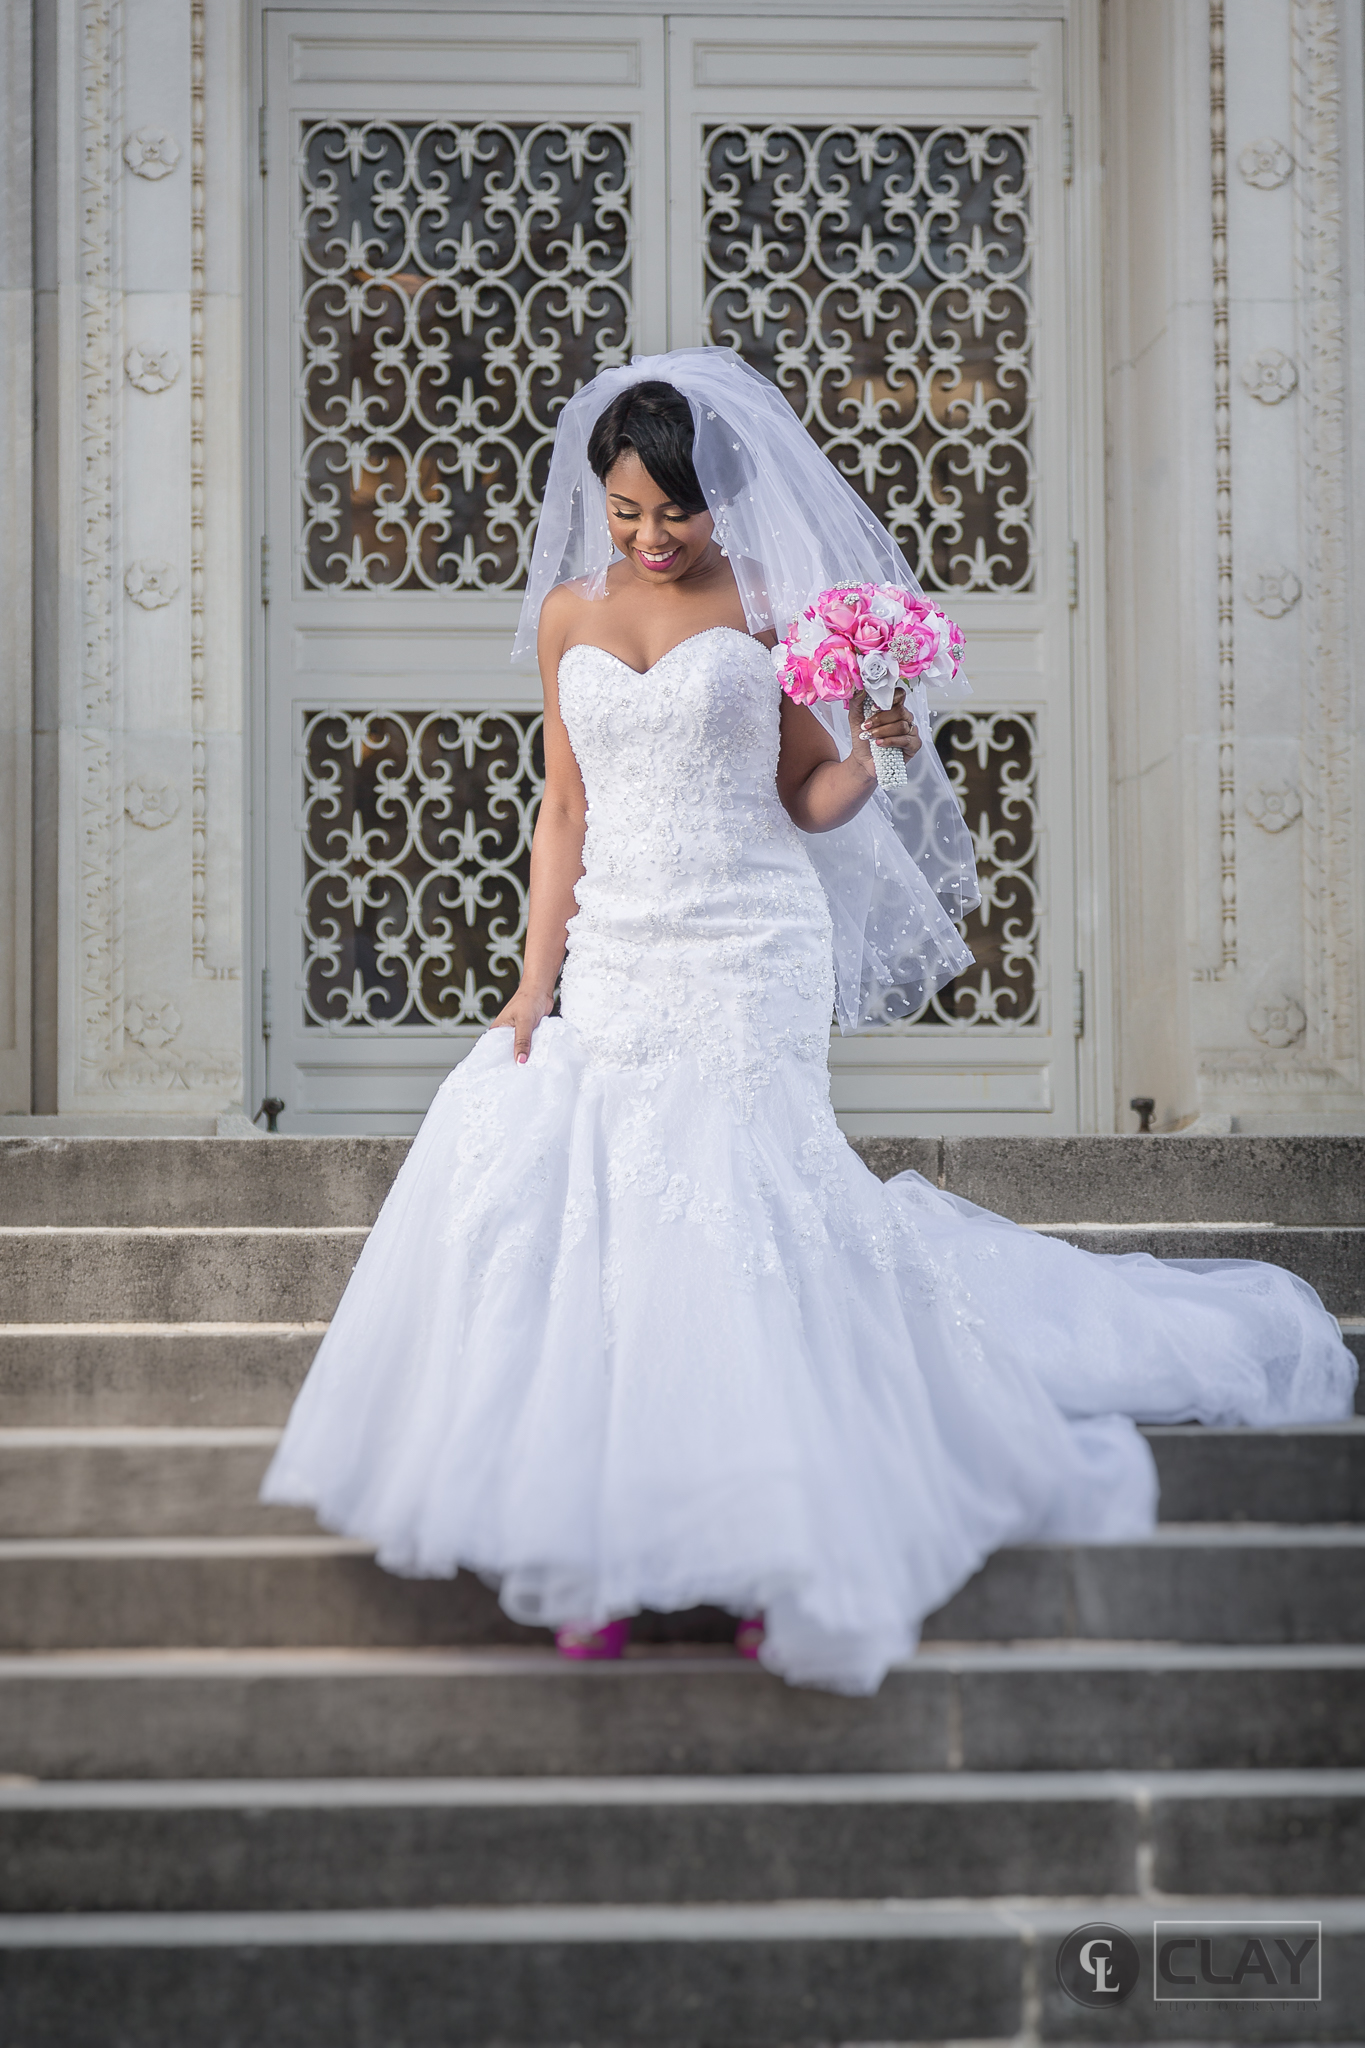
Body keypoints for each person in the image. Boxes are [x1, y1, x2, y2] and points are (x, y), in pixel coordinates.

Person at [263, 349, 1356, 1696]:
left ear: (717, 497)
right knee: (608, 1216)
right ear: (597, 503)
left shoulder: (776, 607)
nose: (652, 539)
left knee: (737, 1209)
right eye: (626, 513)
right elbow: (562, 812)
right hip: (619, 941)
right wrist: (534, 980)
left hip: (750, 942)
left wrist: (881, 744)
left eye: (675, 512)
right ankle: (599, 1545)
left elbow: (809, 798)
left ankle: (770, 1543)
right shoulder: (565, 618)